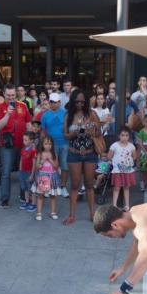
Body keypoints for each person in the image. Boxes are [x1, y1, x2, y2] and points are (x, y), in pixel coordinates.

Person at [63, 89, 101, 225]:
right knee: (74, 185)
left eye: (82, 102)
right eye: (77, 101)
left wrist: (93, 129)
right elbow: (66, 135)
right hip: (74, 154)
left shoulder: (92, 114)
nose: (79, 104)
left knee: (90, 185)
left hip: (90, 154)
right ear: (73, 101)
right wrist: (75, 131)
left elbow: (98, 133)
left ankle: (93, 215)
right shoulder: (69, 115)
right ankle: (71, 215)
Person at [0, 83, 31, 208]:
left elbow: (28, 123)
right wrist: (8, 114)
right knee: (6, 173)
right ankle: (4, 199)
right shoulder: (0, 107)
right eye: (8, 95)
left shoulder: (23, 105)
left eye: (13, 95)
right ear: (4, 94)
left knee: (24, 170)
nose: (11, 97)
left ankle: (24, 196)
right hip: (7, 145)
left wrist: (31, 140)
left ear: (16, 94)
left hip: (23, 144)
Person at [42, 93, 70, 198]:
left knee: (65, 167)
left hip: (64, 144)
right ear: (49, 102)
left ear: (59, 102)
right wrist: (43, 146)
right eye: (52, 102)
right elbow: (43, 131)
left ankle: (62, 187)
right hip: (50, 145)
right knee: (49, 167)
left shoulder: (65, 113)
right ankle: (48, 187)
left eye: (56, 102)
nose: (54, 104)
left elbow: (69, 128)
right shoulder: (45, 115)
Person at [31, 136, 61, 220]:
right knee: (40, 195)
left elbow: (56, 166)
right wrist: (42, 160)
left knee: (53, 196)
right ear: (42, 144)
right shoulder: (40, 153)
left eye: (50, 144)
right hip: (43, 177)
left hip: (52, 176)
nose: (48, 146)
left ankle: (53, 212)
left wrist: (50, 160)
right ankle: (39, 213)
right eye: (46, 144)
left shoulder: (54, 153)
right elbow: (37, 167)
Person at [108, 126, 137, 210]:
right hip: (117, 170)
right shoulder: (114, 145)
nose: (124, 137)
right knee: (117, 187)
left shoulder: (131, 146)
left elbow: (134, 156)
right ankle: (114, 205)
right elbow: (109, 156)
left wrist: (128, 161)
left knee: (126, 187)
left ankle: (127, 205)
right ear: (119, 136)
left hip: (127, 170)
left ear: (129, 136)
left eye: (126, 135)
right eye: (122, 135)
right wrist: (115, 162)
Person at [19, 132, 37, 213]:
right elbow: (21, 160)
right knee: (25, 188)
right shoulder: (22, 149)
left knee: (32, 189)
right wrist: (20, 170)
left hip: (29, 172)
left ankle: (33, 204)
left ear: (31, 141)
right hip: (23, 172)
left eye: (26, 140)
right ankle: (27, 201)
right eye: (23, 140)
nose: (24, 141)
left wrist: (32, 174)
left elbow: (34, 163)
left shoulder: (33, 151)